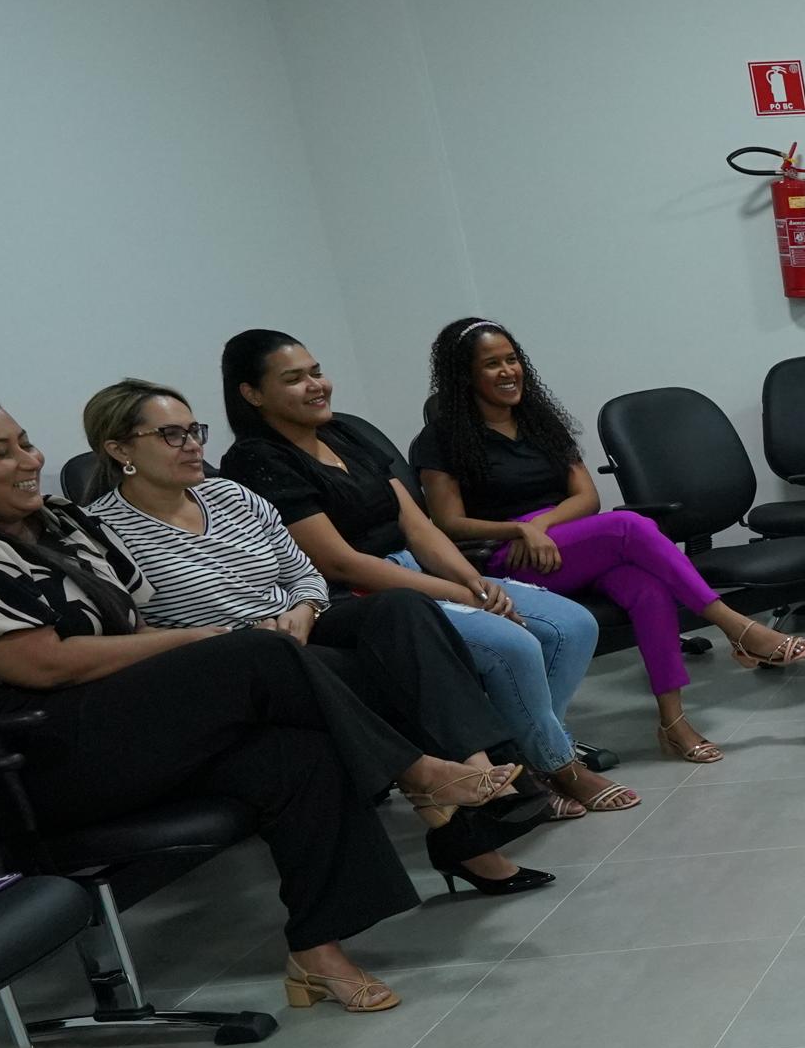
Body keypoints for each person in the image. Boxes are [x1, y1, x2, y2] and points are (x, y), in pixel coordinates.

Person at [0, 389, 470, 1013]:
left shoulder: (61, 521)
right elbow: (41, 664)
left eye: (25, 443)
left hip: (115, 719)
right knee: (256, 654)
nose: (28, 460)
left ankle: (317, 951)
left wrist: (203, 645)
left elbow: (132, 628)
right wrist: (206, 641)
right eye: (1, 453)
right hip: (26, 751)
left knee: (297, 754)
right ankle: (418, 771)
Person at [83, 380, 550, 897]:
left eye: (195, 430)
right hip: (230, 664)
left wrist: (304, 611)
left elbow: (303, 572)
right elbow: (131, 631)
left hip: (299, 628)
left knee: (400, 608)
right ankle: (466, 819)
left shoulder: (231, 495)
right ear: (119, 448)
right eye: (171, 435)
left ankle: (472, 770)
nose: (194, 444)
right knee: (395, 672)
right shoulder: (101, 531)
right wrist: (232, 637)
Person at [217, 329, 637, 817]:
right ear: (252, 394)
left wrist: (472, 583)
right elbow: (339, 561)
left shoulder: (345, 433)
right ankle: (558, 764)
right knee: (515, 644)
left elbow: (417, 526)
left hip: (420, 570)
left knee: (572, 626)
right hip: (366, 595)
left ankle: (522, 758)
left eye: (316, 371)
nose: (316, 385)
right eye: (294, 379)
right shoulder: (256, 460)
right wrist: (457, 591)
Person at [409, 316, 805, 765]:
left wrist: (541, 525)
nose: (508, 371)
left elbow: (586, 497)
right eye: (492, 364)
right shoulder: (442, 438)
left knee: (647, 589)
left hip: (560, 540)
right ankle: (735, 626)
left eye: (512, 359)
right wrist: (519, 529)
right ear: (464, 375)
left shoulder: (540, 421)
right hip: (507, 556)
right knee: (629, 526)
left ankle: (673, 723)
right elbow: (447, 523)